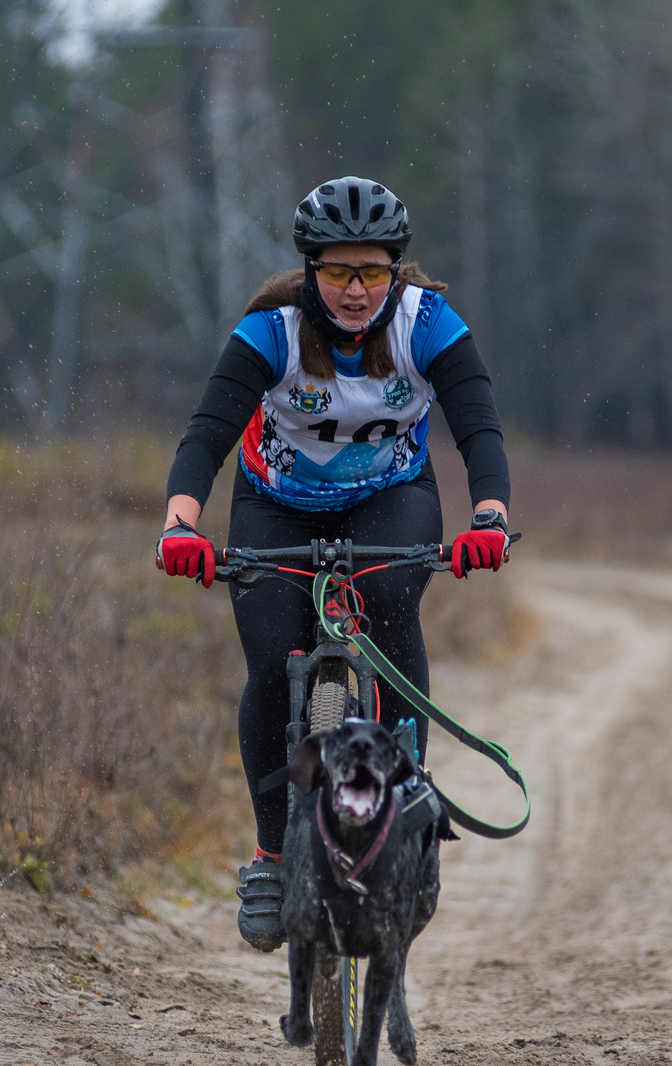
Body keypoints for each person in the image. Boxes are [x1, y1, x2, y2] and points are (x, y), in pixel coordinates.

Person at [157, 176, 511, 951]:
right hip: (276, 503)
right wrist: (181, 522)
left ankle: (408, 813)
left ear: (396, 270)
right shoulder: (272, 330)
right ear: (310, 269)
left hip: (391, 498)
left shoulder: (427, 324)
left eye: (373, 271)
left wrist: (489, 514)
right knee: (271, 659)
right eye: (340, 271)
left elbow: (479, 426)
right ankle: (272, 855)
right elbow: (208, 432)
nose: (356, 290)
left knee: (389, 602)